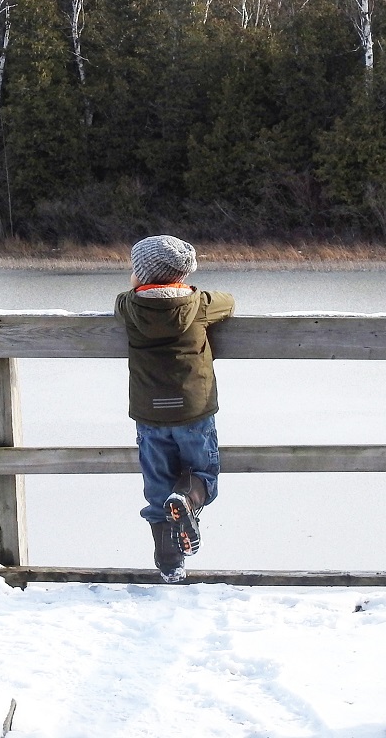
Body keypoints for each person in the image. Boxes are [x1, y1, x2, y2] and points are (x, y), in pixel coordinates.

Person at [115, 235, 235, 583]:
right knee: (204, 474)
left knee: (156, 486)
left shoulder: (129, 306)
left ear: (141, 274)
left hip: (150, 415)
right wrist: (192, 290)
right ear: (182, 275)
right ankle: (188, 498)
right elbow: (229, 302)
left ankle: (169, 564)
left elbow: (123, 301)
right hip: (194, 413)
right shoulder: (200, 304)